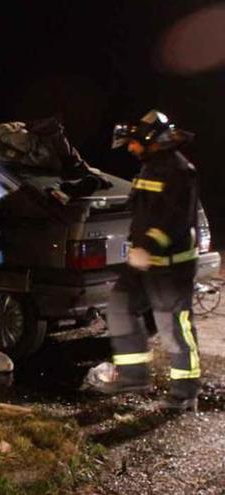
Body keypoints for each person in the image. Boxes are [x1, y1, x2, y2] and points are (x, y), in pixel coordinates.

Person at [90, 110, 201, 412]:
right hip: (143, 262)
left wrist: (149, 246)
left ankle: (185, 392)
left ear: (150, 140)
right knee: (120, 307)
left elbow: (174, 220)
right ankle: (133, 376)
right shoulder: (152, 167)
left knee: (174, 328)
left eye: (133, 143)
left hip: (171, 267)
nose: (130, 148)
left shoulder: (179, 171)